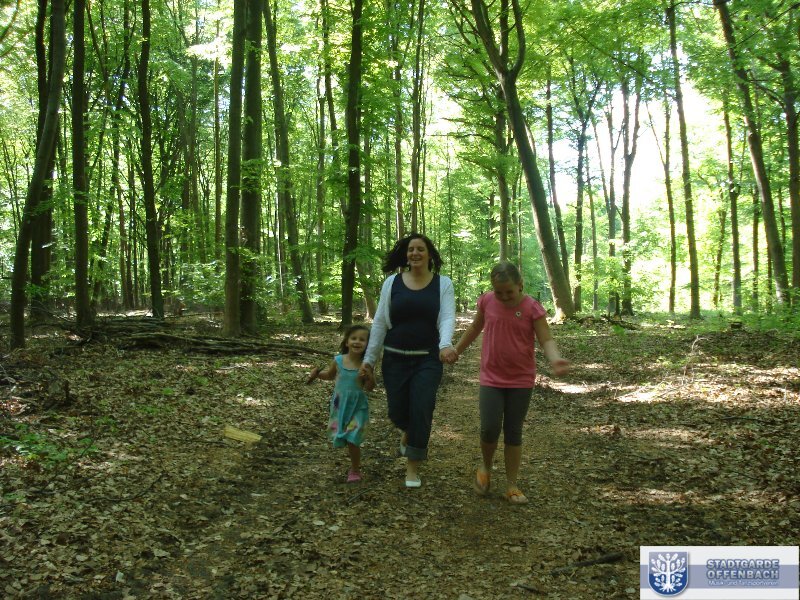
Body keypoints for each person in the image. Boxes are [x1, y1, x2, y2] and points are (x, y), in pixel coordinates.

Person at [453, 261, 570, 504]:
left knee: (513, 431)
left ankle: (511, 485)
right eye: (499, 292)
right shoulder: (487, 301)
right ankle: (485, 468)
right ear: (492, 289)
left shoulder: (532, 308)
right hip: (491, 377)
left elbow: (546, 339)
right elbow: (474, 328)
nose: (505, 297)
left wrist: (555, 359)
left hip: (521, 379)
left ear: (520, 285)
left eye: (510, 292)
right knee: (489, 427)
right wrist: (457, 350)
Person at [359, 233, 458, 488]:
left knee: (422, 409)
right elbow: (380, 322)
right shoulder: (392, 283)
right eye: (411, 249)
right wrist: (369, 359)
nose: (415, 253)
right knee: (397, 411)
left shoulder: (443, 284)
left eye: (420, 249)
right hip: (394, 359)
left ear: (429, 254)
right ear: (406, 254)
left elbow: (447, 317)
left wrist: (444, 344)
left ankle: (412, 467)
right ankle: (407, 431)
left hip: (428, 360)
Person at [307, 324, 375, 483]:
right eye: (353, 338)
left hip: (358, 406)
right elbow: (329, 376)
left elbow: (370, 388)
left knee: (353, 437)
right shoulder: (338, 360)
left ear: (367, 344)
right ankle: (353, 463)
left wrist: (369, 376)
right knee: (345, 435)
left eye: (362, 339)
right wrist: (317, 374)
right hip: (340, 405)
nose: (357, 342)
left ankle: (355, 470)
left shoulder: (366, 365)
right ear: (346, 342)